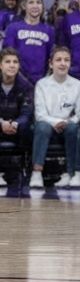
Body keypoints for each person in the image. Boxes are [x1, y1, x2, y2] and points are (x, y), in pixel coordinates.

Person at [30, 46, 80, 189]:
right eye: (58, 60)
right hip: (47, 124)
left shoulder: (78, 85)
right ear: (51, 63)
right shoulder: (42, 84)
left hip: (68, 125)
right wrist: (56, 122)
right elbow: (40, 114)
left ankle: (71, 174)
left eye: (66, 60)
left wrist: (67, 122)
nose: (63, 63)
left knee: (74, 128)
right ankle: (37, 173)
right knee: (42, 127)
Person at [0, 47, 32, 187]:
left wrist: (15, 124)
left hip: (17, 129)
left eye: (15, 62)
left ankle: (25, 172)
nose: (12, 65)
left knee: (30, 127)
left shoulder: (26, 86)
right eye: (8, 62)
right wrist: (1, 123)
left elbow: (27, 112)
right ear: (0, 65)